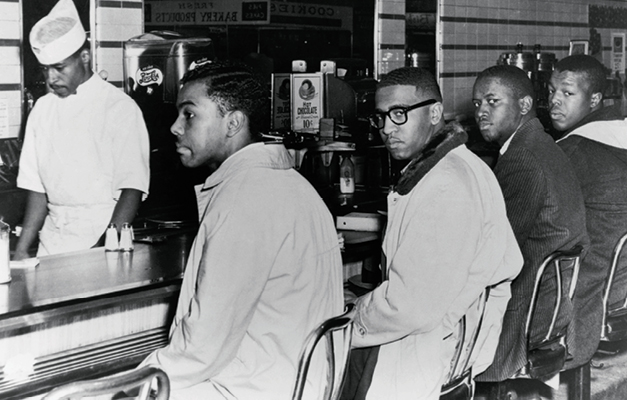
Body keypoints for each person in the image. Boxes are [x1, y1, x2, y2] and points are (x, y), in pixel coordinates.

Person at [137, 61, 344, 399]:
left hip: (247, 390)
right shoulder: (291, 183)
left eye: (189, 115)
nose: (175, 128)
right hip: (298, 386)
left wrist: (133, 383)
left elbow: (201, 352)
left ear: (233, 122)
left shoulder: (243, 198)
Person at [341, 67, 522, 400]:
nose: (387, 129)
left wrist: (352, 315)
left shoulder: (444, 186)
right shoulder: (459, 164)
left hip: (422, 353)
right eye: (380, 118)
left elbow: (409, 308)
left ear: (435, 112)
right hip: (446, 341)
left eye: (399, 115)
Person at [471, 65, 589, 397]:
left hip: (524, 313)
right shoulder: (542, 144)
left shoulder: (521, 157)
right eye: (477, 102)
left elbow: (496, 250)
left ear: (523, 105)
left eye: (493, 101)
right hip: (551, 303)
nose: (481, 110)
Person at [14, 0, 150, 259]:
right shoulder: (42, 110)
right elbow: (36, 190)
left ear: (84, 57)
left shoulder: (119, 107)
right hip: (52, 243)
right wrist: (21, 250)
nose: (51, 79)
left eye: (60, 67)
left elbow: (132, 189)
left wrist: (105, 248)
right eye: (46, 69)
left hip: (104, 237)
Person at [548, 55, 627, 370]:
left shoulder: (575, 151)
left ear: (594, 99)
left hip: (590, 293)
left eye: (567, 94)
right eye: (552, 90)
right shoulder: (623, 140)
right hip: (626, 284)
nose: (555, 101)